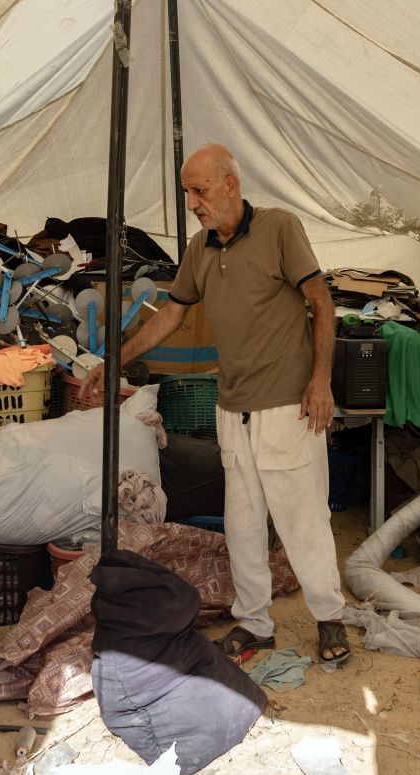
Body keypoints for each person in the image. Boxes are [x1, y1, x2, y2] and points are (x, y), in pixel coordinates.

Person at [80, 143, 350, 665]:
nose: (193, 202)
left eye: (199, 190)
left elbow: (321, 302)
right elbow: (170, 316)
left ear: (230, 183)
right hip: (234, 410)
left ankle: (329, 617)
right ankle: (255, 623)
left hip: (288, 407)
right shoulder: (200, 249)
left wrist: (321, 382)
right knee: (243, 523)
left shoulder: (279, 228)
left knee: (303, 518)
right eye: (187, 192)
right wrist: (116, 359)